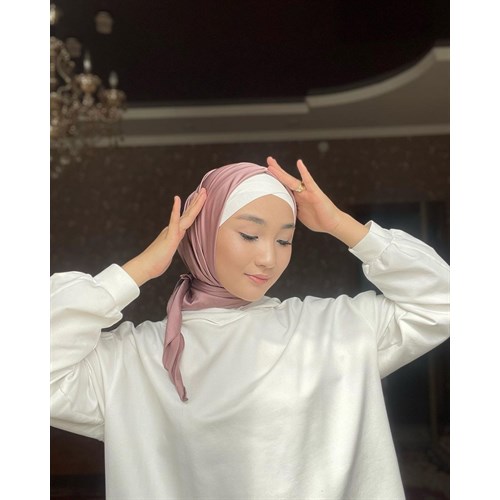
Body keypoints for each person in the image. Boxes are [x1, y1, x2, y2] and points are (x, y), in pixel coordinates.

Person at [50, 157, 450, 500]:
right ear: (201, 232)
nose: (268, 258)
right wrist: (139, 269)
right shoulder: (133, 360)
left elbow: (442, 300)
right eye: (249, 234)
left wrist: (341, 224)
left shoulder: (331, 330)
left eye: (284, 241)